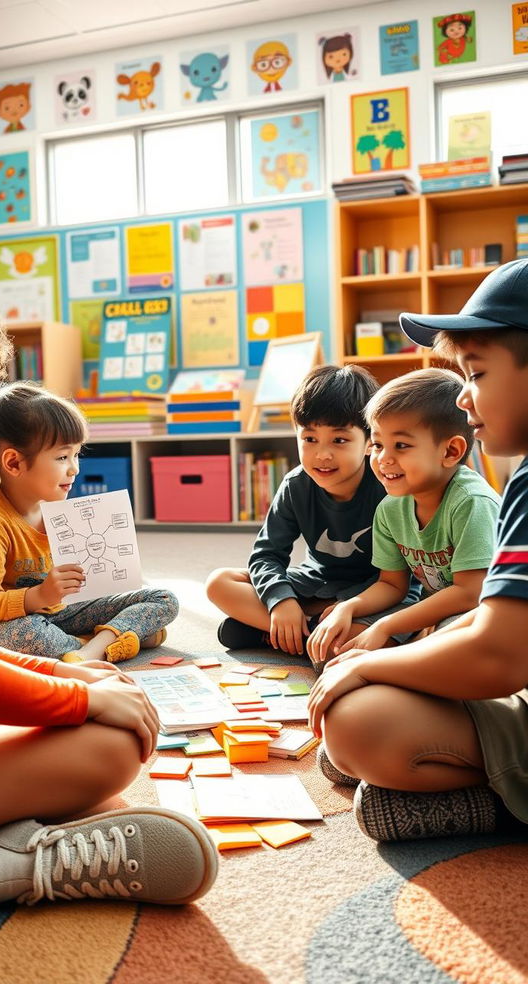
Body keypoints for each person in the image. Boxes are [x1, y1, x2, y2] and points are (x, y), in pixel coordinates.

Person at [0, 265, 218, 917]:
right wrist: (79, 694)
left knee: (106, 703)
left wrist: (81, 683)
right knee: (112, 746)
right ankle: (11, 863)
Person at [308, 258, 528, 842]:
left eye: (475, 375)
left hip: (509, 673)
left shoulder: (484, 497)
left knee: (356, 722)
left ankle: (502, 803)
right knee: (358, 706)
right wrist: (369, 644)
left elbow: (498, 654)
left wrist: (373, 660)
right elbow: (487, 619)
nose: (463, 398)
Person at [0, 381, 178, 664]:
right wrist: (39, 595)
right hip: (6, 623)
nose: (75, 468)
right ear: (13, 463)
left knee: (163, 598)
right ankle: (105, 643)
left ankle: (87, 650)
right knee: (25, 634)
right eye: (62, 457)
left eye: (76, 454)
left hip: (58, 612)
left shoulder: (53, 504)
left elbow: (73, 583)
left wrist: (107, 567)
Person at [308, 369, 500, 670]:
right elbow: (392, 585)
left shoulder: (471, 503)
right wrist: (348, 608)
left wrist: (385, 628)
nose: (383, 459)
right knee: (335, 654)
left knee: (449, 648)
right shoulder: (391, 508)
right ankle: (412, 649)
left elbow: (471, 593)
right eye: (377, 444)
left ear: (450, 451)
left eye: (401, 445)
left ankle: (412, 654)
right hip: (435, 610)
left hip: (486, 612)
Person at [207, 364, 392, 657]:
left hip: (371, 595)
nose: (322, 454)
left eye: (340, 440)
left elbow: (396, 580)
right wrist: (281, 601)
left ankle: (278, 633)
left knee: (387, 634)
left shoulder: (387, 488)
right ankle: (305, 630)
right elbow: (267, 555)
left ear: (370, 442)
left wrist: (346, 604)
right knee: (219, 583)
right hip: (315, 585)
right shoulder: (296, 485)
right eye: (309, 439)